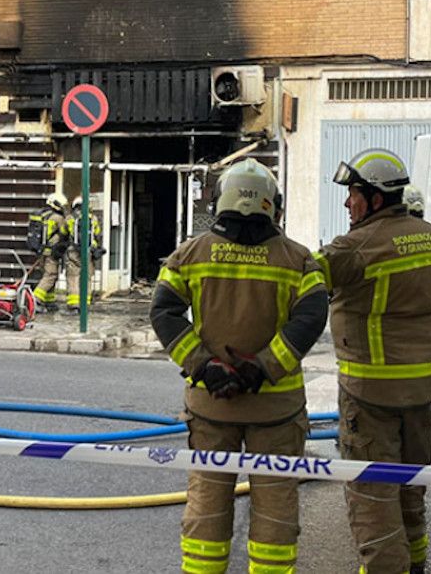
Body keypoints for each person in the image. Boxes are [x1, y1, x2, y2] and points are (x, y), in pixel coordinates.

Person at [151, 159, 328, 574]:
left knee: (208, 502)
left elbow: (164, 313)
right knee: (276, 506)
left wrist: (206, 368)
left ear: (220, 202)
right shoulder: (298, 260)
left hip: (212, 407)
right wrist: (262, 369)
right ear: (273, 206)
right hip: (277, 413)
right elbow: (310, 320)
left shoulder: (189, 255)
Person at [315, 148, 431, 574]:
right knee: (411, 489)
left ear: (376, 198)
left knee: (373, 501)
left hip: (369, 396)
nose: (347, 203)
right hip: (419, 393)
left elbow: (298, 284)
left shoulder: (352, 248)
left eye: (353, 194)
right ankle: (416, 564)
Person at [30, 192, 69, 312]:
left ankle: (48, 301)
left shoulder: (42, 215)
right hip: (51, 252)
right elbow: (65, 232)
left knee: (46, 275)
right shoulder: (58, 218)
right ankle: (34, 299)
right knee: (51, 275)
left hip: (41, 252)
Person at [64, 195, 104, 314]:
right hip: (88, 251)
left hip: (73, 251)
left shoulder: (71, 218)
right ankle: (85, 304)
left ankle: (73, 304)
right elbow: (97, 234)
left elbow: (64, 232)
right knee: (87, 277)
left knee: (73, 277)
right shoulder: (93, 219)